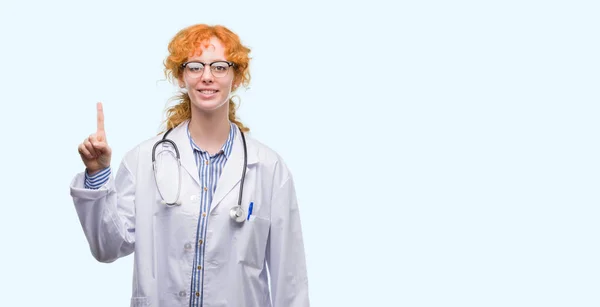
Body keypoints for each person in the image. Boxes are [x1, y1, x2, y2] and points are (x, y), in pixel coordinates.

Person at [70, 24, 310, 307]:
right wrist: (98, 174)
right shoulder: (144, 160)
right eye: (195, 67)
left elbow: (289, 281)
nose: (207, 76)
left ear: (237, 76)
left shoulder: (270, 169)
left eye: (220, 67)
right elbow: (107, 247)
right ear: (181, 77)